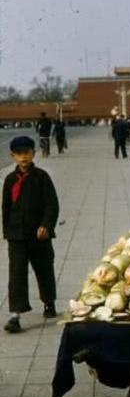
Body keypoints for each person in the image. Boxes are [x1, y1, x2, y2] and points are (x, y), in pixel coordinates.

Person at [2, 136, 60, 333]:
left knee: (44, 269)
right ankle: (15, 316)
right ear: (13, 156)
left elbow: (52, 205)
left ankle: (49, 302)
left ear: (33, 153)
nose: (23, 157)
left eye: (27, 152)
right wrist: (7, 232)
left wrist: (46, 225)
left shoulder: (42, 177)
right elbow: (6, 208)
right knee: (16, 274)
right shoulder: (10, 180)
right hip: (17, 236)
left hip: (39, 235)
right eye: (19, 154)